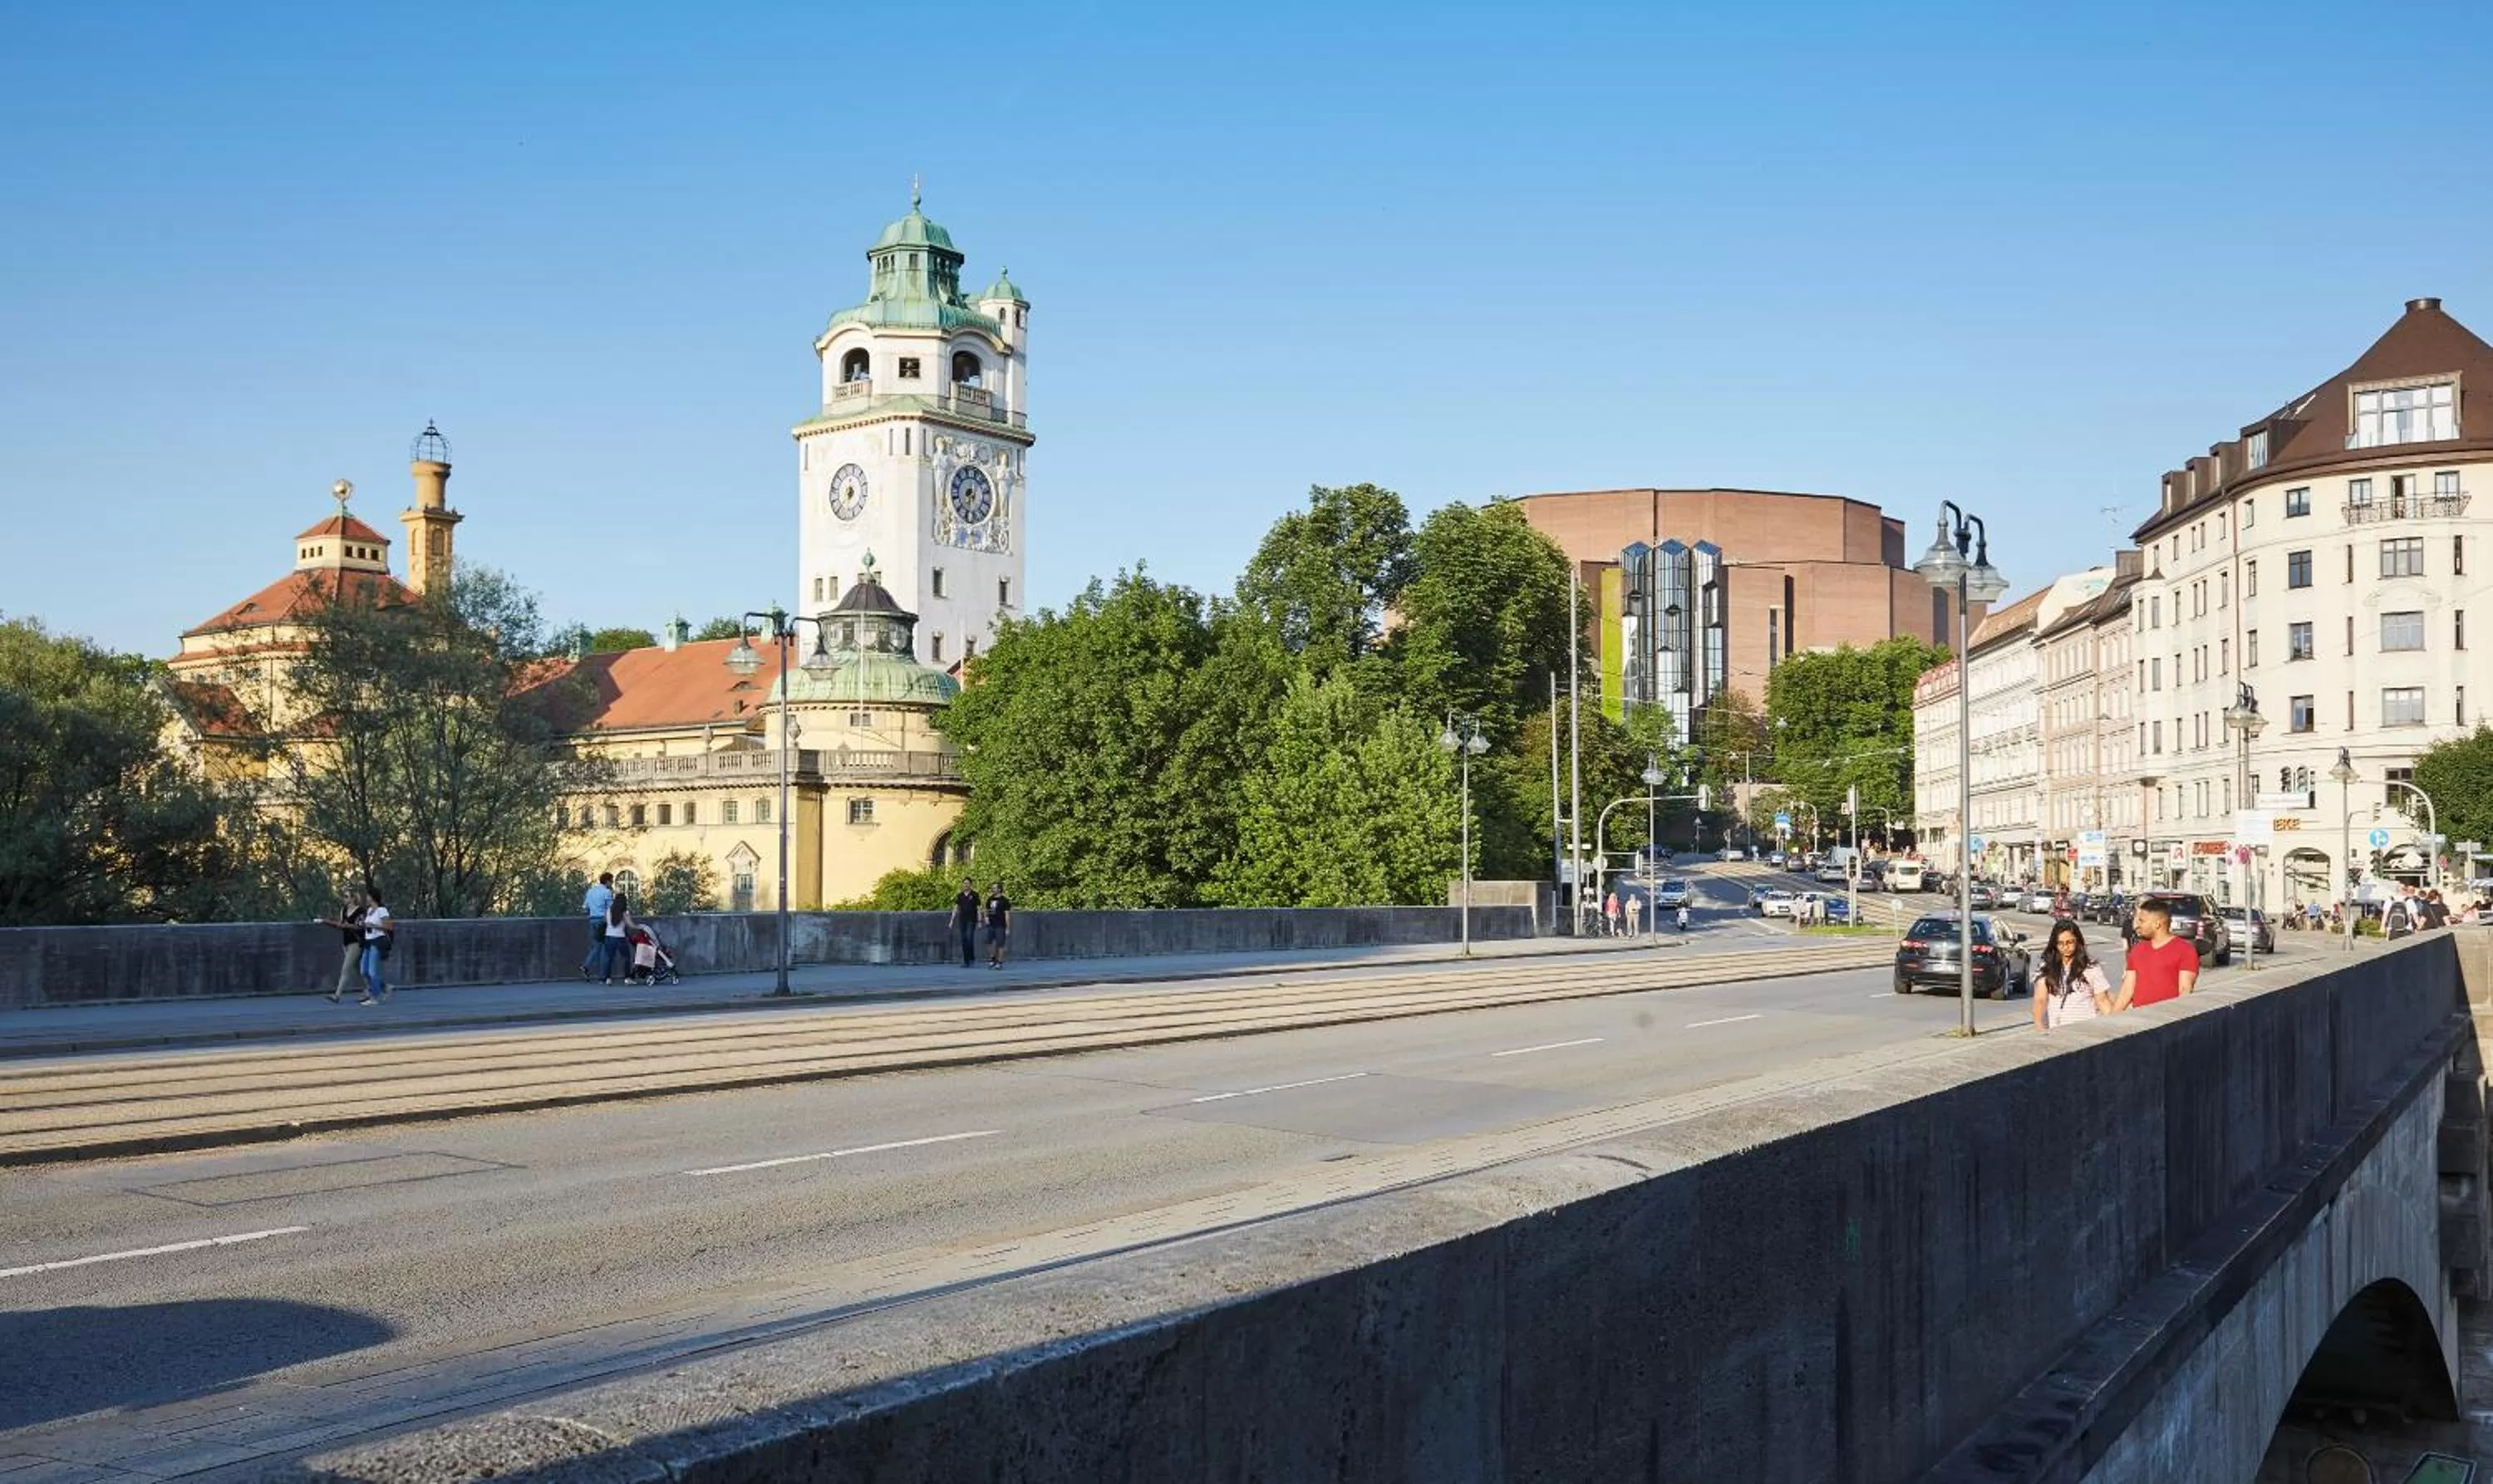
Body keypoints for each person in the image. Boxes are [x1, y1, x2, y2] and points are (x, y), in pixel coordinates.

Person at [2115, 897, 2199, 1010]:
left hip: (2166, 1019)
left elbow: (2185, 991)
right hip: (2139, 1019)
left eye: (2142, 921)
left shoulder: (2185, 950)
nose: (2137, 925)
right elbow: (2127, 990)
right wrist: (2112, 1018)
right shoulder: (2138, 950)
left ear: (2157, 924)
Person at [2033, 918, 2112, 1030]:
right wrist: (2040, 1028)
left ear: (2078, 941)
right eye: (2060, 943)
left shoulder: (2091, 968)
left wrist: (2113, 1026)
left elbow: (2103, 1001)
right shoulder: (2046, 968)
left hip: (2086, 1032)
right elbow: (2040, 1001)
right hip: (2056, 1033)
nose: (2065, 947)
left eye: (2070, 942)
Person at [316, 895, 366, 1003]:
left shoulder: (360, 911)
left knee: (346, 968)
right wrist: (326, 921)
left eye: (346, 897)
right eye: (344, 897)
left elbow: (361, 926)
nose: (344, 899)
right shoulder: (343, 910)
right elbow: (340, 925)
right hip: (346, 943)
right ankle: (380, 987)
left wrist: (348, 926)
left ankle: (337, 995)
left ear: (353, 899)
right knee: (358, 969)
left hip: (356, 943)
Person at [356, 884, 394, 1005]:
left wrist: (373, 926)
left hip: (377, 941)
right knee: (364, 971)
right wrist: (363, 924)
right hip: (368, 942)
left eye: (367, 895)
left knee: (373, 971)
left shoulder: (382, 910)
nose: (366, 898)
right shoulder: (369, 911)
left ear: (372, 897)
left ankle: (374, 997)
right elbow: (368, 925)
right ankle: (385, 987)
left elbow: (389, 926)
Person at [580, 872, 615, 981]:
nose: (612, 883)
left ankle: (586, 965)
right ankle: (602, 976)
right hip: (603, 921)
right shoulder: (607, 892)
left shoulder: (590, 891)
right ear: (607, 881)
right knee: (605, 948)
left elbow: (585, 908)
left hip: (592, 920)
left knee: (597, 946)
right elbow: (611, 908)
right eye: (611, 881)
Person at [598, 894, 634, 984]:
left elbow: (606, 921)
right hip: (620, 937)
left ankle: (608, 978)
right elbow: (630, 925)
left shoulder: (609, 910)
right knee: (626, 957)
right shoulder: (624, 912)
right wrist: (639, 927)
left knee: (609, 958)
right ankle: (627, 978)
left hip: (609, 936)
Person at [950, 877, 981, 967]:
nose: (966, 885)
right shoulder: (960, 895)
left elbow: (979, 908)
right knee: (964, 940)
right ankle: (966, 960)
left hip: (971, 920)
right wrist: (952, 920)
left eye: (967, 883)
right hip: (962, 920)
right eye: (964, 883)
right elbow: (956, 908)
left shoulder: (975, 895)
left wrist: (979, 920)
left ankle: (971, 958)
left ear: (971, 885)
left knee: (969, 939)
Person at [983, 881, 1013, 968]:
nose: (993, 889)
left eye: (995, 888)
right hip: (991, 924)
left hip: (1000, 925)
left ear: (999, 889)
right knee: (989, 942)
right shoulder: (990, 899)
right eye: (992, 888)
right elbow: (986, 910)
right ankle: (993, 959)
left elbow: (1007, 914)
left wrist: (1008, 928)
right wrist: (986, 918)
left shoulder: (1004, 900)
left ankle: (1000, 962)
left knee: (1000, 944)